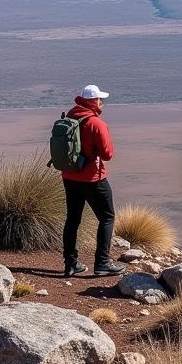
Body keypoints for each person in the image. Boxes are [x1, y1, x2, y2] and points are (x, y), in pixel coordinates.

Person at [59, 84, 124, 278]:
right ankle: (102, 263)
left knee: (72, 219)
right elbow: (108, 154)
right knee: (107, 217)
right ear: (94, 101)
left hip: (69, 176)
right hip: (92, 178)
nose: (102, 102)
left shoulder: (70, 117)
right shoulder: (96, 123)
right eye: (100, 100)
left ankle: (70, 264)